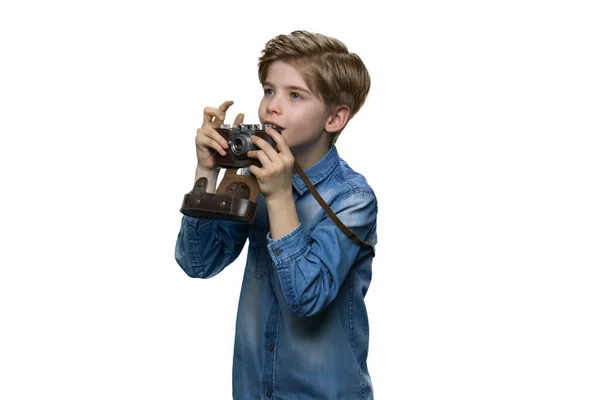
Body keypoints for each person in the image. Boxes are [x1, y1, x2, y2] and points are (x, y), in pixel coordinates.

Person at [175, 30, 378, 399]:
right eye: (269, 90)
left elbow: (306, 298)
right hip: (254, 389)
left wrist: (281, 196)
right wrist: (207, 174)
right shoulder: (251, 175)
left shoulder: (353, 198)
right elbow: (198, 263)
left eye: (294, 95)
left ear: (335, 118)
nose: (272, 106)